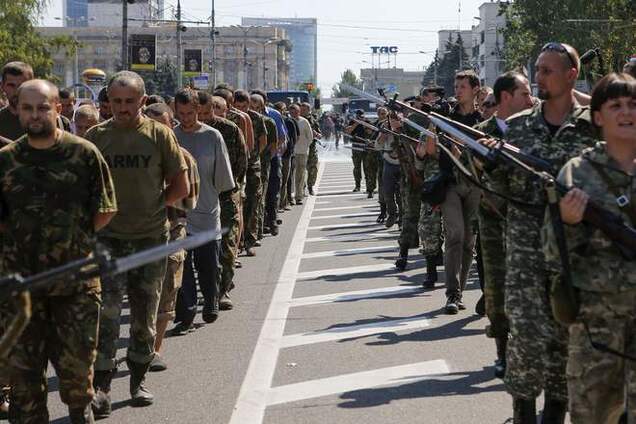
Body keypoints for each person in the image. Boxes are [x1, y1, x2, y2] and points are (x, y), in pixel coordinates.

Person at [0, 79, 116, 423]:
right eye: (27, 108)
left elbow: (106, 209)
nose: (35, 115)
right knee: (24, 389)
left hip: (75, 289)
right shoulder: (6, 161)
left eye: (43, 107)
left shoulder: (83, 154)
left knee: (78, 384)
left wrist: (71, 244)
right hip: (22, 294)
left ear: (58, 109)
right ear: (18, 111)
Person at [500, 43, 597, 423]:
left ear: (571, 74)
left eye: (547, 71)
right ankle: (523, 411)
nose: (538, 77)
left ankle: (554, 413)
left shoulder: (593, 127)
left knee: (565, 337)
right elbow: (488, 179)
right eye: (537, 71)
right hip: (525, 251)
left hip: (574, 250)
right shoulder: (518, 126)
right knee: (525, 332)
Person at [85, 71, 189, 417]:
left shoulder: (159, 135)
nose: (123, 108)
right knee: (107, 315)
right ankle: (101, 387)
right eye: (116, 101)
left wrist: (156, 207)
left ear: (143, 102)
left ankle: (138, 381)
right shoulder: (96, 137)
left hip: (149, 239)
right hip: (109, 241)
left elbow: (180, 184)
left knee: (144, 317)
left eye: (130, 102)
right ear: (108, 102)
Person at [544, 72, 636, 424]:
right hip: (597, 330)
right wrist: (567, 224)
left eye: (633, 104)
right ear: (598, 116)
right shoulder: (578, 173)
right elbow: (553, 255)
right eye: (615, 105)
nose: (626, 112)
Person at [476, 71, 534, 379]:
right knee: (496, 287)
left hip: (528, 221)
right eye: (524, 93)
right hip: (494, 221)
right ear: (506, 97)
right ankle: (502, 352)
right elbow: (467, 175)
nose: (530, 99)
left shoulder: (534, 130)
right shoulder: (479, 132)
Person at [172, 89, 234, 332]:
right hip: (179, 212)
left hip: (207, 208)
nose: (186, 118)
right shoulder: (170, 136)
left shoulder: (213, 136)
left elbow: (223, 178)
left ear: (198, 110)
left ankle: (210, 301)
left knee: (208, 263)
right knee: (183, 267)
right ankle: (185, 315)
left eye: (190, 113)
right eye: (181, 113)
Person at [143, 102, 199, 372]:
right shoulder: (133, 156)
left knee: (167, 291)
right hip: (135, 234)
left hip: (172, 229)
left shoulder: (183, 158)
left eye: (161, 124)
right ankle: (139, 344)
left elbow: (190, 201)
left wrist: (163, 197)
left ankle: (154, 349)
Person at [427, 70, 483, 314]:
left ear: (475, 90)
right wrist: (433, 122)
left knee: (469, 241)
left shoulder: (482, 121)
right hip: (450, 182)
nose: (458, 90)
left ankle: (459, 291)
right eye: (456, 85)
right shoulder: (446, 117)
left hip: (474, 184)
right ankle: (451, 294)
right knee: (455, 235)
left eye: (462, 86)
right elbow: (430, 150)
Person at [206, 93, 247, 310]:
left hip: (227, 194)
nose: (205, 115)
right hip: (201, 199)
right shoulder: (189, 131)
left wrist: (232, 187)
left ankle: (223, 290)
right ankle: (208, 289)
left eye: (211, 109)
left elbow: (242, 159)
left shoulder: (230, 129)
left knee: (228, 245)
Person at [234, 89, 268, 256]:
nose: (240, 109)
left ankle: (249, 241)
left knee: (252, 202)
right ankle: (237, 242)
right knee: (237, 205)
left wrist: (253, 157)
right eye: (237, 105)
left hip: (252, 165)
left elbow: (263, 141)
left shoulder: (256, 118)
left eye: (244, 106)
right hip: (234, 168)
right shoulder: (230, 118)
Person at [0, 62, 33, 140]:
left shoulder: (51, 121)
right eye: (11, 85)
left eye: (22, 85)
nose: (17, 91)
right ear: (2, 86)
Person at [290, 103, 312, 204]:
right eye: (292, 112)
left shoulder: (304, 122)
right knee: (291, 175)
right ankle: (290, 195)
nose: (294, 114)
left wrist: (305, 147)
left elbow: (310, 137)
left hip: (302, 152)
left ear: (299, 112)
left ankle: (299, 196)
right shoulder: (288, 121)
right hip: (291, 152)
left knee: (300, 174)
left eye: (296, 112)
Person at [301, 102, 321, 195]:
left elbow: (319, 135)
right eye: (301, 109)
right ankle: (302, 187)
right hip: (300, 147)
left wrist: (316, 134)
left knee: (313, 168)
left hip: (312, 147)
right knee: (301, 169)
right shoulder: (297, 119)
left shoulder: (313, 120)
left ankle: (310, 186)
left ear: (309, 110)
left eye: (304, 110)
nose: (302, 111)